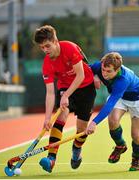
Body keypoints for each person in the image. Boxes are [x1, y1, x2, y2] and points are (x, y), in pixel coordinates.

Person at [34, 25, 96, 173]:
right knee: (61, 115)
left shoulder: (69, 48)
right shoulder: (47, 63)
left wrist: (66, 95)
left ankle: (77, 150)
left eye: (47, 46)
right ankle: (51, 159)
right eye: (42, 47)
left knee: (81, 129)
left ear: (55, 40)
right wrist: (47, 118)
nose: (45, 50)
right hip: (65, 87)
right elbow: (49, 92)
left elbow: (80, 75)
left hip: (86, 87)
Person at [86, 52, 139, 171]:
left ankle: (136, 159)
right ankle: (120, 145)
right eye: (103, 69)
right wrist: (94, 75)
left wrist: (94, 122)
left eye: (109, 71)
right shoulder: (99, 66)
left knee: (136, 135)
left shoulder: (123, 79)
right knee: (113, 120)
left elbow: (111, 103)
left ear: (117, 69)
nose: (104, 73)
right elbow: (85, 69)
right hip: (121, 97)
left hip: (138, 100)